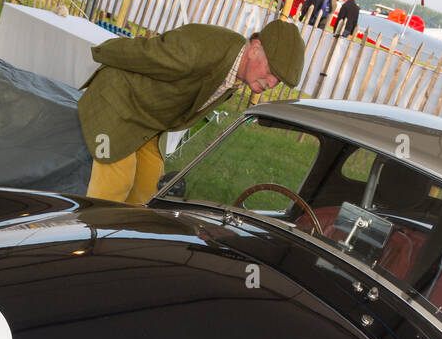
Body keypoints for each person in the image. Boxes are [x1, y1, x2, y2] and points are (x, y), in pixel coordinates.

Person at [77, 20, 305, 203]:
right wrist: (102, 50)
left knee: (149, 190)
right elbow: (147, 53)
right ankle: (85, 241)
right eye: (272, 70)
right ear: (255, 49)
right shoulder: (201, 48)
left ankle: (121, 242)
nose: (272, 83)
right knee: (116, 183)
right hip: (116, 102)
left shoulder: (237, 72)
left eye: (279, 80)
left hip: (146, 119)